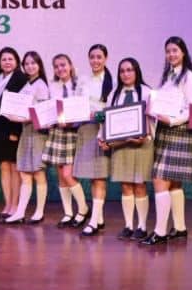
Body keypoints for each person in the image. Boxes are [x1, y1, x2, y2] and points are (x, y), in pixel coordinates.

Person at [142, 37, 192, 246]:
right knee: (173, 183)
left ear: (183, 52)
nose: (171, 55)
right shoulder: (168, 76)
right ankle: (180, 227)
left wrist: (173, 120)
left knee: (160, 179)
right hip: (165, 130)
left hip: (180, 130)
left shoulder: (189, 76)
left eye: (175, 50)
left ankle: (160, 231)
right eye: (168, 51)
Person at [99, 58, 155, 241]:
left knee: (139, 185)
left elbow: (152, 118)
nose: (126, 74)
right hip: (121, 145)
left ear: (136, 71)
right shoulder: (114, 93)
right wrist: (103, 137)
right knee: (125, 185)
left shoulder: (147, 92)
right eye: (122, 71)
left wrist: (146, 135)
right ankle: (129, 225)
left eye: (129, 70)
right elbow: (107, 118)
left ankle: (142, 226)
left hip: (142, 144)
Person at [2, 51, 51, 225]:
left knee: (38, 172)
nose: (30, 66)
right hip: (25, 131)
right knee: (24, 172)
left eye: (33, 63)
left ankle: (39, 212)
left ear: (39, 65)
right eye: (27, 63)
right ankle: (20, 212)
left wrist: (23, 118)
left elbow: (44, 113)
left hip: (37, 133)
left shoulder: (41, 85)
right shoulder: (27, 83)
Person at [43, 54, 89, 230]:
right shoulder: (52, 86)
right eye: (56, 66)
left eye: (63, 65)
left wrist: (73, 121)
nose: (60, 69)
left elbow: (83, 108)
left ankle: (83, 209)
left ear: (70, 65)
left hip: (73, 132)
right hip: (57, 131)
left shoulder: (80, 85)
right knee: (61, 176)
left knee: (69, 175)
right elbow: (49, 109)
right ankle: (68, 213)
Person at [75, 45, 114, 236]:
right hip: (84, 130)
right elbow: (75, 104)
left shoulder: (111, 82)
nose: (95, 61)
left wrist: (97, 116)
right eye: (92, 57)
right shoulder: (83, 80)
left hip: (100, 131)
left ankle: (94, 220)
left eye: (99, 57)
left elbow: (111, 110)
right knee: (92, 176)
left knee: (99, 176)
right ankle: (98, 218)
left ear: (106, 59)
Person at [0, 48, 28, 219]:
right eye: (3, 59)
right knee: (4, 167)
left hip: (13, 129)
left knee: (14, 167)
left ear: (17, 62)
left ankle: (16, 205)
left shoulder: (21, 78)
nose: (7, 62)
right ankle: (7, 204)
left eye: (10, 59)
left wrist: (14, 131)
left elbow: (21, 106)